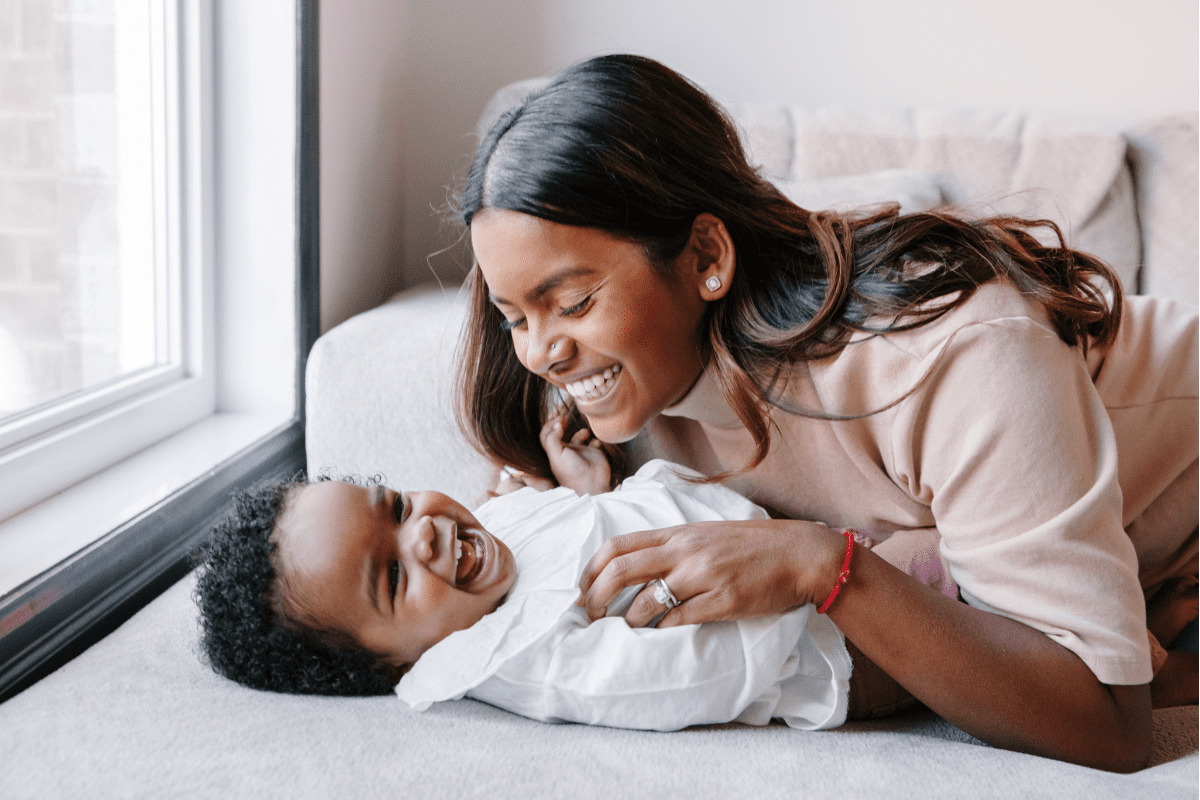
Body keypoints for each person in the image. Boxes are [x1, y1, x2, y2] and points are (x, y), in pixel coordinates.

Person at [453, 54, 1198, 771]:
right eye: (514, 316)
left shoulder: (946, 353)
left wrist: (828, 567)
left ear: (707, 255)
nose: (541, 353)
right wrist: (598, 510)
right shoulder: (608, 403)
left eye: (574, 302)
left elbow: (1110, 726)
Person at [193, 410, 952, 726]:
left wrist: (587, 490)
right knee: (979, 572)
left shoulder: (490, 533)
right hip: (837, 643)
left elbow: (570, 536)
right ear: (391, 665)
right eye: (391, 579)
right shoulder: (528, 657)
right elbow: (682, 679)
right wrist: (798, 596)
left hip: (804, 545)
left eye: (392, 506)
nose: (421, 533)